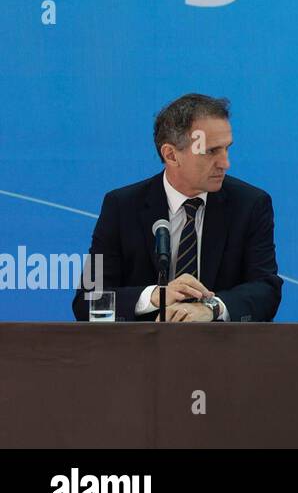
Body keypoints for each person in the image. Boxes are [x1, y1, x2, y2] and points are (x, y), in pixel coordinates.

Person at [71, 94, 282, 322]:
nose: (225, 163)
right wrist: (154, 296)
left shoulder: (249, 204)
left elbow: (267, 291)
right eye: (211, 151)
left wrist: (212, 308)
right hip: (142, 352)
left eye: (226, 149)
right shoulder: (122, 207)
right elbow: (87, 302)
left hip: (223, 352)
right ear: (171, 155)